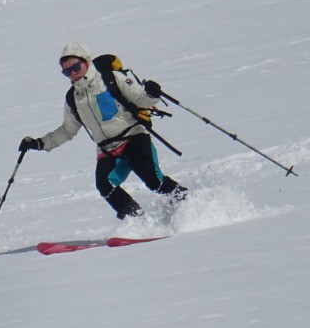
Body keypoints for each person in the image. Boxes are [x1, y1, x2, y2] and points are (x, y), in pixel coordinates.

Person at [20, 43, 188, 220]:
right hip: (107, 149)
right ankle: (139, 222)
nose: (73, 73)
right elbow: (67, 130)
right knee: (105, 186)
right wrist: (40, 143)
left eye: (76, 67)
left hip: (133, 138)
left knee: (155, 181)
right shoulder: (73, 98)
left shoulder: (111, 79)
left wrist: (152, 95)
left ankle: (188, 202)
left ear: (86, 62)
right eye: (67, 72)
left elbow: (141, 100)